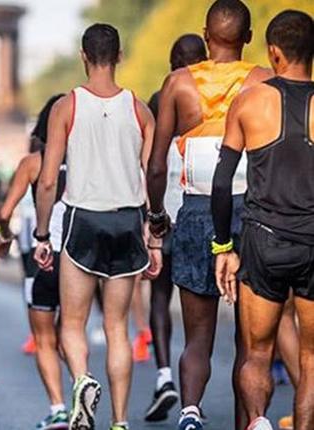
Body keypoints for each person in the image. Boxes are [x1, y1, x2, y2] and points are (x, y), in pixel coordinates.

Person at [145, 1, 273, 428]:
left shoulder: (178, 84)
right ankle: (247, 421)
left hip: (198, 210)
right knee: (250, 340)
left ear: (204, 35)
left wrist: (158, 216)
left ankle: (190, 410)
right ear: (249, 38)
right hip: (253, 213)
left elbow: (158, 164)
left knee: (198, 336)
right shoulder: (264, 81)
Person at [33, 23, 159, 430]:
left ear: (83, 56)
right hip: (127, 219)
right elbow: (151, 175)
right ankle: (120, 421)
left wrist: (41, 234)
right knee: (117, 327)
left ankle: (82, 381)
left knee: (72, 323)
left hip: (83, 219)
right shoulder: (140, 110)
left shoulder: (66, 107)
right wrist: (153, 233)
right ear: (119, 56)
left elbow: (49, 178)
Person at [211, 9, 313, 430]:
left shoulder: (249, 102)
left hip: (263, 241)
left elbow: (221, 184)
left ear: (273, 53)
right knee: (311, 356)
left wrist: (223, 247)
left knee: (256, 353)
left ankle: (257, 422)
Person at [143, 33, 207, 423]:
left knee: (159, 297)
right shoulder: (219, 100)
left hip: (165, 216)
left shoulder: (160, 99)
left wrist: (149, 216)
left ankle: (165, 375)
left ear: (170, 62)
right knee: (203, 310)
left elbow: (150, 164)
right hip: (204, 215)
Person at [0, 93, 69, 429]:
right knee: (74, 332)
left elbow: (4, 211)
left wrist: (3, 236)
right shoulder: (90, 163)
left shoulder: (32, 163)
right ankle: (83, 382)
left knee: (44, 338)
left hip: (41, 257)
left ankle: (58, 408)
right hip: (82, 258)